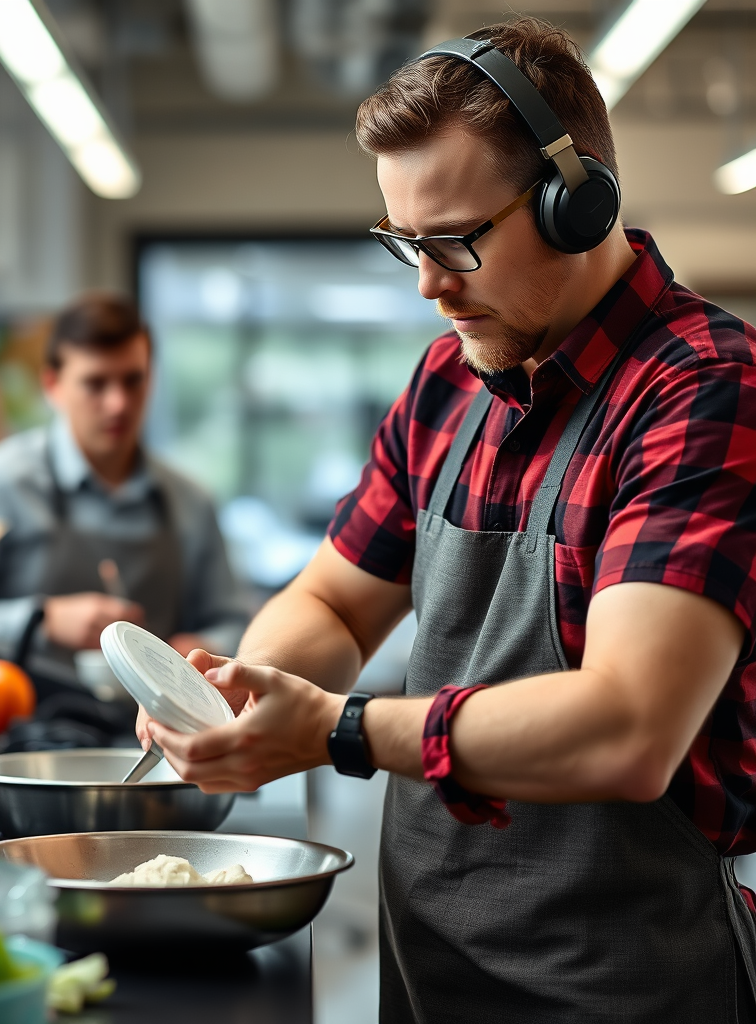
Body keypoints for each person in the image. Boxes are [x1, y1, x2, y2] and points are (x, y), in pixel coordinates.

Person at [138, 18, 756, 1023]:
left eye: (454, 240)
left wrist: (336, 729)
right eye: (405, 245)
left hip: (621, 981)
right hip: (430, 965)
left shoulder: (703, 388)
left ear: (576, 201)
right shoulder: (447, 380)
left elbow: (628, 729)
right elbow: (335, 602)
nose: (428, 285)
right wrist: (249, 693)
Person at [0, 292, 249, 657]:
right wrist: (40, 621)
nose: (118, 404)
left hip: (150, 714)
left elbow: (236, 621)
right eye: (95, 384)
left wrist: (203, 648)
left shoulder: (191, 501)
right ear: (53, 385)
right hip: (21, 707)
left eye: (133, 380)